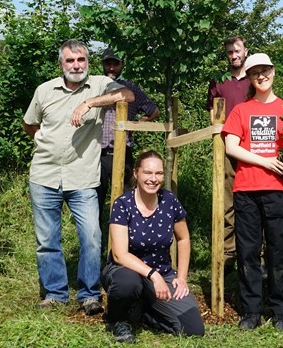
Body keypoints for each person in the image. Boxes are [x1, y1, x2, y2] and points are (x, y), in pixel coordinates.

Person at [23, 39, 134, 315]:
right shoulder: (44, 90)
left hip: (82, 176)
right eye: (70, 61)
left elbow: (127, 96)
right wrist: (43, 141)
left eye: (81, 60)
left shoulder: (98, 84)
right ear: (61, 64)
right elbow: (29, 123)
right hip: (44, 174)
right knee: (47, 240)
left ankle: (89, 293)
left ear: (87, 61)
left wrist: (89, 103)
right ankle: (56, 293)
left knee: (92, 235)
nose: (76, 65)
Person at [222, 53, 283, 332]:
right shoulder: (241, 111)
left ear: (273, 71)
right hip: (246, 189)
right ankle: (251, 310)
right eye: (254, 72)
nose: (261, 76)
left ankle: (281, 309)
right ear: (248, 77)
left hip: (279, 189)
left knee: (279, 251)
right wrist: (265, 161)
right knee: (247, 252)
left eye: (265, 70)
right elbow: (231, 147)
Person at [103, 150, 204, 342]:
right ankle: (118, 319)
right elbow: (120, 255)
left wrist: (181, 278)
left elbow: (183, 238)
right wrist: (153, 275)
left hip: (162, 272)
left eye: (158, 173)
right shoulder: (123, 204)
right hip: (126, 270)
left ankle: (143, 310)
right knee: (128, 283)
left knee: (193, 329)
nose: (153, 179)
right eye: (147, 173)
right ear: (136, 174)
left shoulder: (170, 201)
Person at [97, 48, 159, 223]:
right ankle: (98, 244)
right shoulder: (96, 87)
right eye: (108, 63)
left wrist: (137, 125)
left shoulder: (130, 88)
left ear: (122, 65)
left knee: (127, 201)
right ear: (102, 64)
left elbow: (154, 110)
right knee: (95, 202)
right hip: (97, 154)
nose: (111, 68)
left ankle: (125, 243)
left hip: (124, 153)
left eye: (115, 64)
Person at [207, 35, 250, 270]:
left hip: (252, 147)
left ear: (246, 51)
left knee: (252, 199)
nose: (234, 56)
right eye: (230, 53)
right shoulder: (219, 81)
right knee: (227, 201)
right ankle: (228, 251)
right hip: (226, 147)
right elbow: (212, 111)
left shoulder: (254, 78)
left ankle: (255, 252)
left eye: (237, 51)